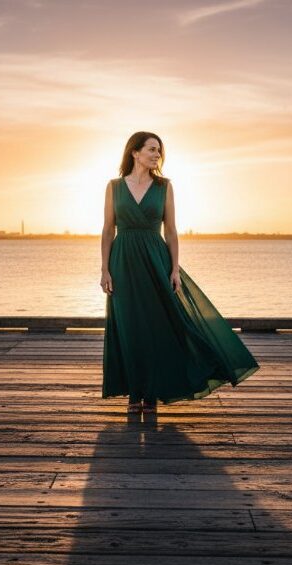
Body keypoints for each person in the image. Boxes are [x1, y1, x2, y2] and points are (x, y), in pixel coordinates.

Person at [100, 131, 260, 416]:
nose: (156, 155)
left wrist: (174, 269)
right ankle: (134, 392)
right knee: (130, 327)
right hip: (123, 261)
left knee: (160, 325)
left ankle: (152, 392)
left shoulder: (164, 187)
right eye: (151, 149)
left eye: (159, 151)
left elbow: (171, 230)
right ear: (134, 153)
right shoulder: (113, 187)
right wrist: (105, 269)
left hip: (156, 259)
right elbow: (107, 229)